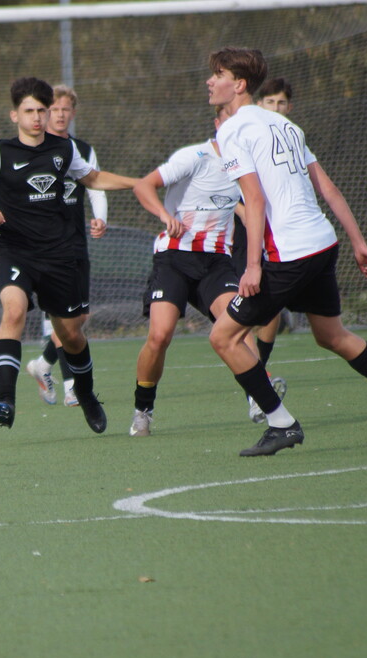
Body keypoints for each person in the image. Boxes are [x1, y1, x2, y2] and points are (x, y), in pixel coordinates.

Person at [206, 47, 367, 456]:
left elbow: (254, 200)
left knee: (223, 337)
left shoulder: (233, 130)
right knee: (332, 335)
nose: (210, 81)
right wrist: (358, 241)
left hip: (290, 254)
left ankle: (281, 424)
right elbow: (327, 188)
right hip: (322, 244)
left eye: (218, 74)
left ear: (238, 85)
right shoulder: (286, 125)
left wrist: (253, 265)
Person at [0, 76, 137, 433]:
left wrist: (140, 182)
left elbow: (93, 179)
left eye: (42, 110)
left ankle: (86, 394)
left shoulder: (64, 149)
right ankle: (5, 398)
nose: (37, 117)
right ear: (14, 115)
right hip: (15, 251)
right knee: (14, 310)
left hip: (58, 254)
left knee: (71, 334)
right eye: (29, 111)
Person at [126, 105, 252, 437]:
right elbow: (143, 186)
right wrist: (164, 216)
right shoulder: (195, 156)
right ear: (217, 124)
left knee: (238, 323)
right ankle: (143, 410)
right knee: (160, 335)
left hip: (216, 262)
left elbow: (251, 206)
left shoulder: (249, 166)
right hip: (174, 257)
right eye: (229, 122)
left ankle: (258, 397)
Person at [24, 84, 108, 409]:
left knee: (79, 316)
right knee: (60, 316)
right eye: (54, 109)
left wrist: (100, 217)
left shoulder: (82, 149)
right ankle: (73, 385)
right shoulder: (33, 149)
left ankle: (43, 365)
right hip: (44, 247)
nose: (59, 115)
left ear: (73, 113)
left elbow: (96, 185)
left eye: (65, 109)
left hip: (75, 243)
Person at [231, 76, 295, 423]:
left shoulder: (291, 139)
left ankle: (258, 381)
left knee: (272, 312)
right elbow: (229, 193)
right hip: (246, 239)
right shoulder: (243, 136)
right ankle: (257, 387)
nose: (276, 108)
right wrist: (248, 214)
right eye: (270, 102)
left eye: (281, 102)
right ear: (258, 105)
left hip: (281, 239)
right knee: (240, 319)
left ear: (290, 107)